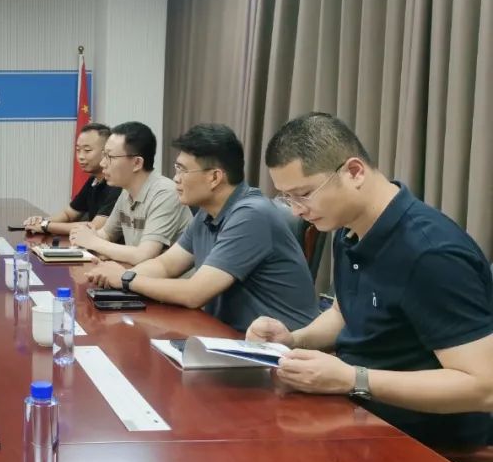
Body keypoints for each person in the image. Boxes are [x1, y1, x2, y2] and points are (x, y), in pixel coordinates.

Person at [248, 112, 492, 448]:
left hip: (420, 441)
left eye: (303, 194)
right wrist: (293, 340)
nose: (296, 210)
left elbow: (483, 387)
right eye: (287, 197)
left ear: (354, 172)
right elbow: (345, 312)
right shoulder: (348, 227)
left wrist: (353, 379)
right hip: (357, 414)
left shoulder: (430, 254)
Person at [86, 123, 318, 333]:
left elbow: (194, 293)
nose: (176, 179)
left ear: (214, 177)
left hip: (277, 347)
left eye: (182, 170)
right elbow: (166, 265)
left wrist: (125, 278)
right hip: (227, 335)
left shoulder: (251, 215)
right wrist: (115, 276)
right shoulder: (208, 212)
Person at [69, 121, 191, 266]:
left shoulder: (165, 193)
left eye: (110, 157)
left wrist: (93, 242)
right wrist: (84, 235)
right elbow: (107, 234)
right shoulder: (126, 192)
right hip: (134, 274)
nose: (102, 163)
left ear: (137, 163)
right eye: (104, 155)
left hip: (167, 279)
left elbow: (144, 255)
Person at [23, 123, 122, 236]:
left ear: (107, 152)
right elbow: (69, 214)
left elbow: (96, 227)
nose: (80, 156)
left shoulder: (117, 184)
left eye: (87, 150)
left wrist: (46, 226)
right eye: (78, 150)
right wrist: (40, 221)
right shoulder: (93, 181)